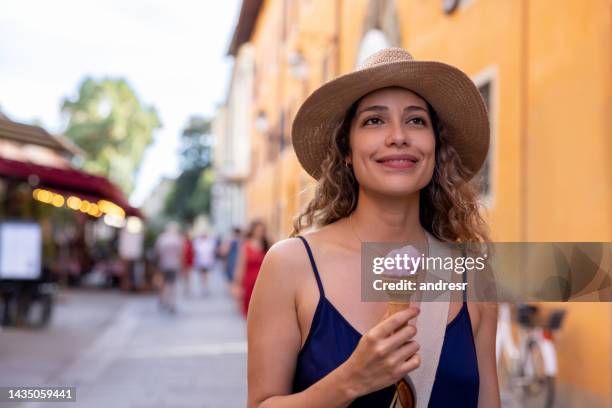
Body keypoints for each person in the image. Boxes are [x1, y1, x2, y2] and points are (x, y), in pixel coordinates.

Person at [247, 48, 500, 407]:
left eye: (416, 121)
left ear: (435, 148)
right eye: (373, 121)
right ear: (346, 151)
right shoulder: (291, 265)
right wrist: (349, 381)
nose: (398, 136)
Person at [231, 220, 268, 318]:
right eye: (258, 230)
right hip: (249, 285)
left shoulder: (267, 245)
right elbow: (240, 266)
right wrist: (237, 285)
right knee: (249, 315)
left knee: (263, 315)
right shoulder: (245, 246)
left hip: (264, 285)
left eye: (262, 230)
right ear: (253, 231)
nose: (260, 232)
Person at [154, 222, 184, 313]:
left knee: (166, 283)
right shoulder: (177, 239)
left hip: (164, 264)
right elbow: (181, 253)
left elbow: (158, 252)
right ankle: (172, 302)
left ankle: (166, 300)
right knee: (172, 284)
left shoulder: (162, 239)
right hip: (174, 265)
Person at [192, 231, 217, 296]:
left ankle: (205, 287)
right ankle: (204, 287)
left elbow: (212, 252)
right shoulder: (198, 243)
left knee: (206, 275)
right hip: (201, 262)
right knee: (202, 275)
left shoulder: (209, 242)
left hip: (207, 262)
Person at [181, 230, 194, 296]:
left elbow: (192, 252)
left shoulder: (189, 243)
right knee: (184, 276)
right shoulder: (181, 243)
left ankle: (188, 288)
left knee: (188, 276)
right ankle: (185, 288)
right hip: (183, 262)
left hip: (188, 261)